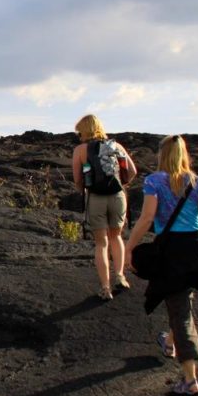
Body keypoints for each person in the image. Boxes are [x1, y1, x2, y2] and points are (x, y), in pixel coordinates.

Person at [124, 135, 198, 396]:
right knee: (181, 301)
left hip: (173, 249)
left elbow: (146, 218)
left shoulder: (154, 181)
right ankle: (169, 342)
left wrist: (129, 248)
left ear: (162, 154)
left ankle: (190, 380)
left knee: (181, 312)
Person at [72, 114, 137, 301]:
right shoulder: (116, 146)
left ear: (84, 131)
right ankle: (120, 276)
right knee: (116, 237)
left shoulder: (81, 150)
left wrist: (83, 191)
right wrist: (122, 185)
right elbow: (132, 171)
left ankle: (105, 288)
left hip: (96, 197)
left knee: (101, 243)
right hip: (117, 196)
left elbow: (78, 178)